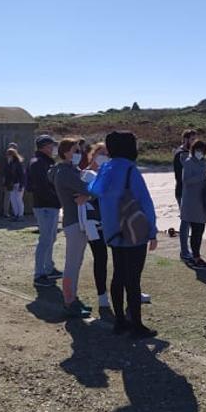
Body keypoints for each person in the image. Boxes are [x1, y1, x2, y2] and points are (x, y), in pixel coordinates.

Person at [88, 131, 159, 339]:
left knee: (118, 274)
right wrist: (152, 231)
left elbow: (94, 190)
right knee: (133, 279)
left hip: (112, 230)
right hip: (133, 229)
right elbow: (145, 202)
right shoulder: (130, 169)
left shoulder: (105, 168)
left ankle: (120, 321)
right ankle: (136, 324)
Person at [82, 143, 153, 308]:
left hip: (115, 223)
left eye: (106, 153)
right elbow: (87, 196)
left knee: (123, 264)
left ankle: (133, 292)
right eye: (100, 153)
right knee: (101, 259)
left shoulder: (110, 173)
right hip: (95, 223)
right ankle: (102, 296)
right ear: (93, 156)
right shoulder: (87, 174)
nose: (104, 157)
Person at [49, 138, 94, 318]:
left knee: (75, 262)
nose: (79, 154)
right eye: (75, 150)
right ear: (65, 152)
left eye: (79, 150)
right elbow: (89, 187)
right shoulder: (65, 173)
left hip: (77, 221)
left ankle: (71, 298)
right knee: (72, 264)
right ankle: (69, 301)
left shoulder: (68, 170)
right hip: (74, 221)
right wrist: (90, 192)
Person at [28, 134, 63, 287]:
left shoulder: (44, 162)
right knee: (45, 240)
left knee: (50, 238)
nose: (53, 148)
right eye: (51, 145)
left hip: (49, 205)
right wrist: (56, 197)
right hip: (45, 206)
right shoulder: (38, 163)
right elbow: (41, 186)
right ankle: (39, 273)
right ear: (44, 147)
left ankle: (48, 268)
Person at [180, 139, 206, 270]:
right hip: (191, 202)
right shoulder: (188, 162)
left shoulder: (202, 162)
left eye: (203, 151)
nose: (200, 153)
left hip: (201, 201)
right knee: (196, 230)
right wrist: (202, 176)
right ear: (193, 150)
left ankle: (196, 256)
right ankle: (195, 257)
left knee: (200, 230)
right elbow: (186, 181)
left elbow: (202, 179)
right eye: (198, 150)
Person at [173, 129, 198, 265]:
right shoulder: (182, 154)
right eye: (192, 139)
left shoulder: (187, 153)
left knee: (190, 221)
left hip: (190, 192)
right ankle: (184, 251)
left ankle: (190, 250)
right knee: (186, 221)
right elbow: (184, 175)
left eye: (195, 139)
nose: (194, 142)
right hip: (183, 191)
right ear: (185, 139)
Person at [3, 147, 26, 222]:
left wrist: (21, 185)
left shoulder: (18, 163)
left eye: (9, 154)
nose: (7, 156)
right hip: (12, 184)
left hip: (18, 183)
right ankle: (16, 214)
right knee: (13, 200)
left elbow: (22, 175)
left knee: (18, 199)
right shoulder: (9, 163)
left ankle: (20, 215)